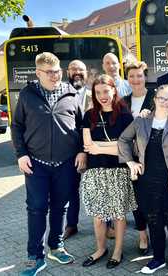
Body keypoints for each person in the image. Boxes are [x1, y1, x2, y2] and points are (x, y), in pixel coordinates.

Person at [12, 52, 86, 276]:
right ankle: (35, 257)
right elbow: (16, 127)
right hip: (36, 163)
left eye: (57, 71)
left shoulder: (70, 93)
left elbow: (82, 125)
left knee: (60, 206)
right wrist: (21, 154)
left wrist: (82, 151)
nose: (55, 76)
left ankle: (56, 246)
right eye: (50, 72)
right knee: (36, 208)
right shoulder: (27, 95)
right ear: (38, 73)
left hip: (65, 163)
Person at [119, 84, 168, 275]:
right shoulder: (142, 120)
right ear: (155, 99)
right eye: (162, 98)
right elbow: (123, 140)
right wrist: (130, 163)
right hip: (146, 180)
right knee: (154, 220)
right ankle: (158, 259)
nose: (165, 102)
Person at [80, 74, 137, 269]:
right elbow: (88, 145)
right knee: (98, 216)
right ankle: (100, 248)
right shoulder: (89, 115)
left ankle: (118, 250)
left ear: (114, 90)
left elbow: (127, 146)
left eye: (106, 91)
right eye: (98, 92)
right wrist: (113, 145)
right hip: (95, 172)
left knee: (118, 215)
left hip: (118, 171)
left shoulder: (124, 115)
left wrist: (101, 147)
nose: (102, 95)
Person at [122, 60, 153, 254]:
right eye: (131, 76)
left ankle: (157, 232)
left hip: (153, 156)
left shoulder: (155, 97)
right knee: (136, 197)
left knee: (153, 198)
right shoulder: (123, 101)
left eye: (139, 75)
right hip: (131, 158)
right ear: (127, 78)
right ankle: (142, 234)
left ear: (145, 77)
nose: (135, 79)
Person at [63, 59, 91, 240]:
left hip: (95, 149)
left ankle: (108, 225)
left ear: (86, 73)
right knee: (71, 189)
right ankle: (71, 225)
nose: (77, 72)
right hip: (70, 151)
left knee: (100, 187)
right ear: (68, 72)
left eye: (80, 69)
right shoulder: (63, 94)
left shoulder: (95, 94)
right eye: (73, 69)